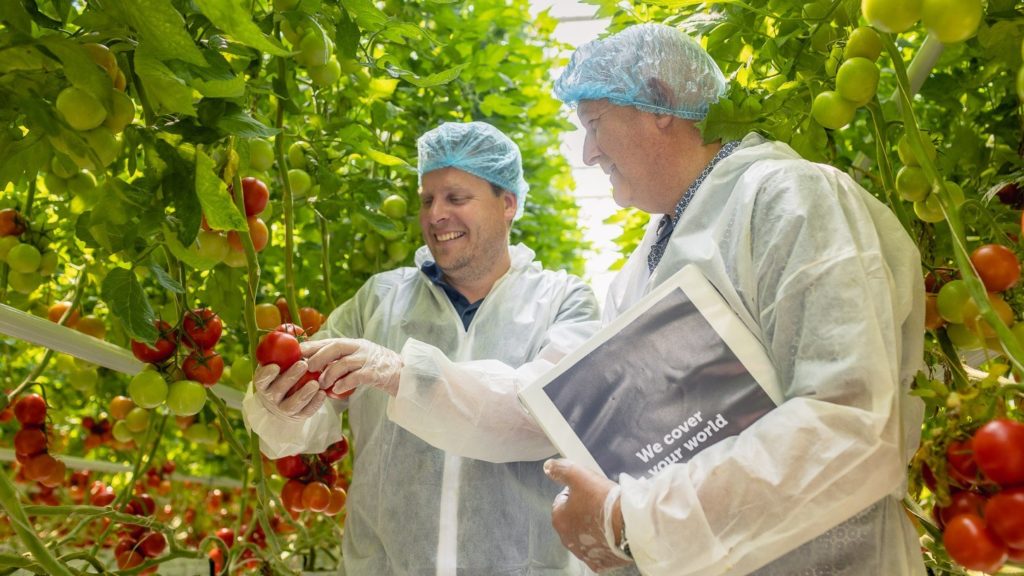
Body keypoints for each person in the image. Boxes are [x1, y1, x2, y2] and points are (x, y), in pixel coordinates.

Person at [539, 23, 927, 575]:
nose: (587, 153)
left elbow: (850, 423)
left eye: (596, 124)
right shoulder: (642, 265)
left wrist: (631, 517)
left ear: (660, 103)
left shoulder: (788, 198)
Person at [241, 121, 601, 575]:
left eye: (456, 198)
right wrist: (279, 407)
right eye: (427, 200)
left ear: (508, 203)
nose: (435, 215)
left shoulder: (563, 302)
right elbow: (305, 426)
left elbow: (543, 417)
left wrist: (402, 374)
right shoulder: (378, 300)